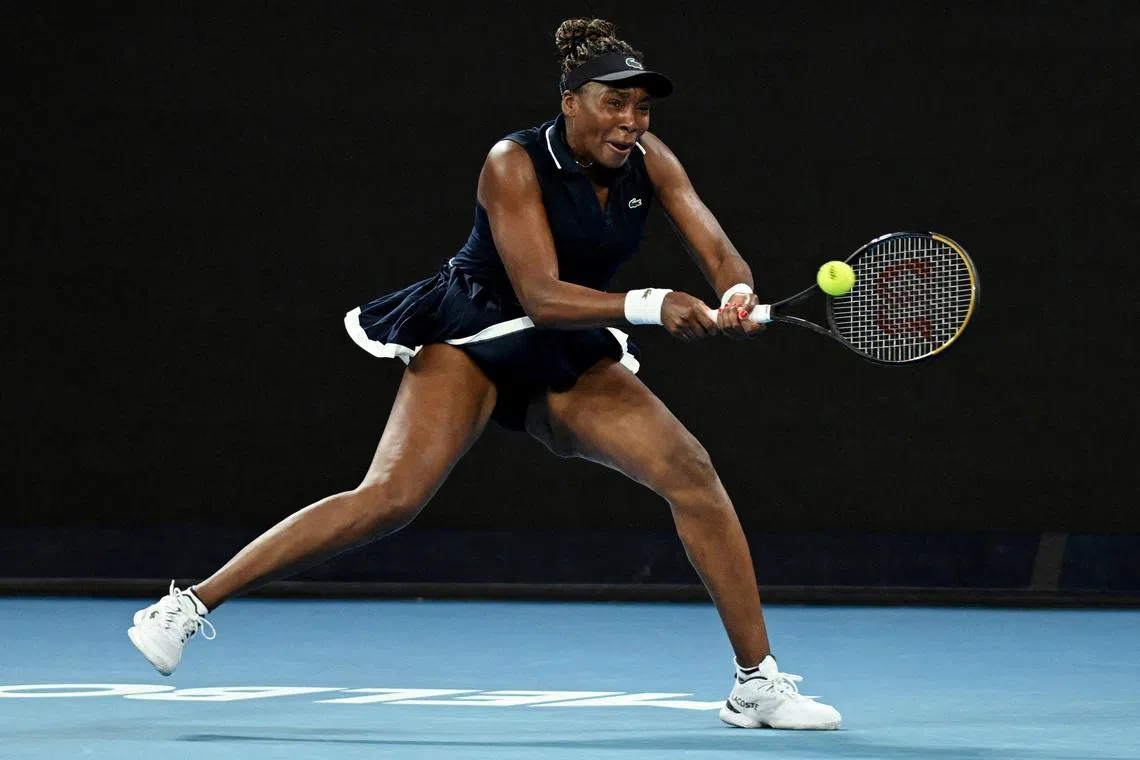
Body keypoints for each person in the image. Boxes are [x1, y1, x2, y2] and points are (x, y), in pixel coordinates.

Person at [127, 18, 841, 730]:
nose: (631, 121)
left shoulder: (650, 160)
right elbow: (539, 294)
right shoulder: (513, 161)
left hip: (565, 349)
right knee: (391, 497)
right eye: (614, 103)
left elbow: (714, 246)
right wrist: (653, 304)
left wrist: (736, 290)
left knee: (691, 471)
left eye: (642, 106)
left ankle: (756, 684)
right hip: (475, 331)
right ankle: (188, 604)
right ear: (570, 102)